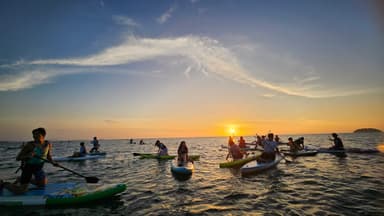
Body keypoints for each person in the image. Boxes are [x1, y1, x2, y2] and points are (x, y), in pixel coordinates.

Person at [0, 127, 58, 194]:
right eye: (33, 135)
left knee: (42, 185)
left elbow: (48, 156)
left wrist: (53, 162)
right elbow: (18, 158)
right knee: (21, 191)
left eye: (37, 134)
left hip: (39, 167)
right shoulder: (30, 145)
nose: (34, 136)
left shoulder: (47, 144)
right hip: (28, 168)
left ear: (43, 135)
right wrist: (28, 155)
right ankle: (3, 184)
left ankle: (20, 179)